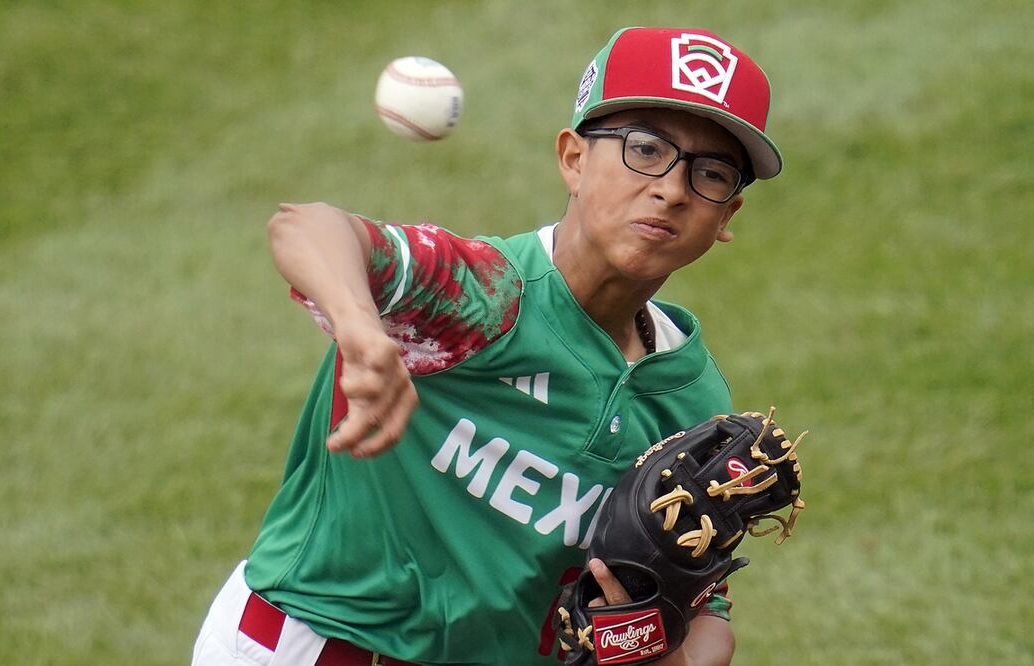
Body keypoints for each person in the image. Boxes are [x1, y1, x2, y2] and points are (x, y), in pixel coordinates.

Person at [192, 25, 783, 666]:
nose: (671, 189)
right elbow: (307, 226)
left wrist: (637, 645)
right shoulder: (484, 294)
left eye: (712, 173)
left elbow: (705, 613)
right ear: (574, 160)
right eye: (644, 149)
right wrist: (362, 329)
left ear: (726, 217)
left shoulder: (691, 400)